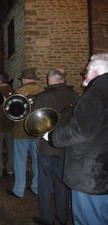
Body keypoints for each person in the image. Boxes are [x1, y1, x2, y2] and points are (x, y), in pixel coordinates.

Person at [47, 53, 108, 225]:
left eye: (87, 70)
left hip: (89, 176)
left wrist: (53, 136)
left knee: (88, 220)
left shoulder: (94, 94)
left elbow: (80, 131)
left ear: (95, 72)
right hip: (103, 172)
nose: (84, 75)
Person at [32, 69, 78, 225]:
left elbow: (34, 123)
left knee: (45, 183)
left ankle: (46, 219)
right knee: (61, 183)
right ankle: (62, 218)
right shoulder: (75, 96)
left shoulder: (44, 96)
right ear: (63, 80)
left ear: (50, 80)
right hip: (67, 146)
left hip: (47, 146)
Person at [8, 67, 43, 198]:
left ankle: (18, 190)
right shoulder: (43, 92)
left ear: (23, 79)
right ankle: (36, 187)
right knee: (37, 162)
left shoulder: (18, 92)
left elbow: (10, 114)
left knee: (20, 162)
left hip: (21, 131)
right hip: (37, 131)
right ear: (34, 79)